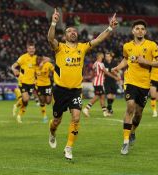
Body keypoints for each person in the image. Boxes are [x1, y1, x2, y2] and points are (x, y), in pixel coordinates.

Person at [47, 8, 118, 160]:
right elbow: (50, 38)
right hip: (59, 90)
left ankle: (68, 148)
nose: (73, 32)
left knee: (76, 118)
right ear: (65, 35)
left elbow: (99, 39)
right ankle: (52, 133)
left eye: (74, 31)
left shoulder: (82, 47)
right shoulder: (59, 47)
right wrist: (54, 22)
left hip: (75, 91)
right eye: (69, 31)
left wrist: (110, 27)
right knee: (56, 121)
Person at [112, 20, 158, 155]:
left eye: (142, 29)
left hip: (144, 84)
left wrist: (146, 61)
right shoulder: (127, 46)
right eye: (137, 28)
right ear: (132, 31)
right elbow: (125, 59)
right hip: (130, 81)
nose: (140, 30)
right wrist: (118, 67)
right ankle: (125, 141)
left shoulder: (152, 45)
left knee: (138, 114)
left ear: (145, 31)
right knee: (130, 106)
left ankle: (132, 131)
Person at [82, 52, 119, 117]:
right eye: (102, 56)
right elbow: (106, 72)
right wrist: (114, 77)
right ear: (99, 56)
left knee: (102, 96)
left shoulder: (95, 63)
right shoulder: (100, 64)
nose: (103, 57)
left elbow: (94, 71)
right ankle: (86, 108)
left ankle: (105, 112)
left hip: (97, 82)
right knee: (97, 96)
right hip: (98, 83)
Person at [11, 42, 37, 123]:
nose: (31, 50)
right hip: (23, 82)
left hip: (32, 83)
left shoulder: (36, 58)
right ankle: (18, 111)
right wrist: (14, 70)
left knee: (26, 101)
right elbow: (13, 65)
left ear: (35, 49)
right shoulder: (23, 57)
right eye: (30, 49)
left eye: (33, 49)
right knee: (25, 99)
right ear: (27, 49)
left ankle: (18, 113)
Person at [35, 56, 54, 123]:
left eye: (41, 59)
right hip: (39, 86)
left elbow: (54, 70)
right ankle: (44, 116)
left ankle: (52, 95)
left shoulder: (48, 64)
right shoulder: (34, 66)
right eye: (38, 59)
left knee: (48, 102)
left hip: (47, 85)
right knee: (42, 101)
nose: (39, 61)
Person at [103, 51, 119, 116]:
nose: (107, 57)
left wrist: (116, 74)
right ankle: (110, 109)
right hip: (106, 81)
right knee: (109, 96)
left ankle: (109, 108)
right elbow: (104, 72)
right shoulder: (103, 63)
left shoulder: (114, 63)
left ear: (111, 57)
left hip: (113, 81)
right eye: (106, 56)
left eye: (108, 56)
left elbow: (117, 70)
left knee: (113, 96)